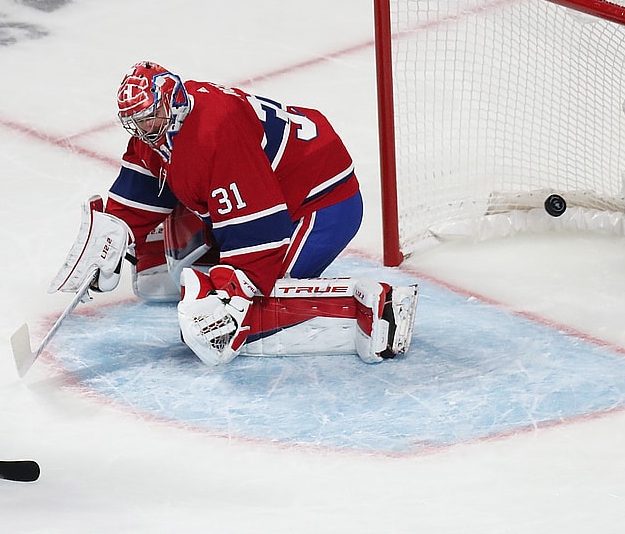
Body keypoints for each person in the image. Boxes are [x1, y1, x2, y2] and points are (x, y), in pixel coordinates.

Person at [49, 61, 417, 366]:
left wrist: (232, 291)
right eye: (137, 122)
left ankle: (380, 311)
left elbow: (261, 231)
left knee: (243, 313)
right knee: (174, 247)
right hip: (269, 190)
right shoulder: (166, 124)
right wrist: (112, 234)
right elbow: (143, 184)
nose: (145, 130)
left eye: (150, 118)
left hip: (319, 203)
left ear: (173, 100)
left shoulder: (216, 134)